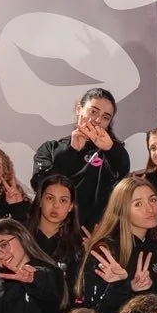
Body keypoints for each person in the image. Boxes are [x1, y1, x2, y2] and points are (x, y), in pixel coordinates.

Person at [78, 175, 157, 313]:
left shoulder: (156, 249)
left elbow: (156, 309)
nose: (150, 209)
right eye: (138, 204)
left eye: (153, 200)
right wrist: (121, 286)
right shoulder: (106, 250)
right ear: (121, 210)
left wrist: (143, 290)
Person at [32, 88, 129, 231]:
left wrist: (110, 149)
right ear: (79, 109)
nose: (98, 120)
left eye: (105, 117)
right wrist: (71, 152)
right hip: (51, 234)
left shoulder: (113, 153)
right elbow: (40, 184)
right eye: (93, 111)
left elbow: (122, 174)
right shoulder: (50, 149)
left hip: (93, 236)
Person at [27, 173, 85, 282]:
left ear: (71, 207)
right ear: (40, 201)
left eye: (63, 200)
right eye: (50, 198)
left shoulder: (79, 245)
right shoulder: (21, 237)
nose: (56, 205)